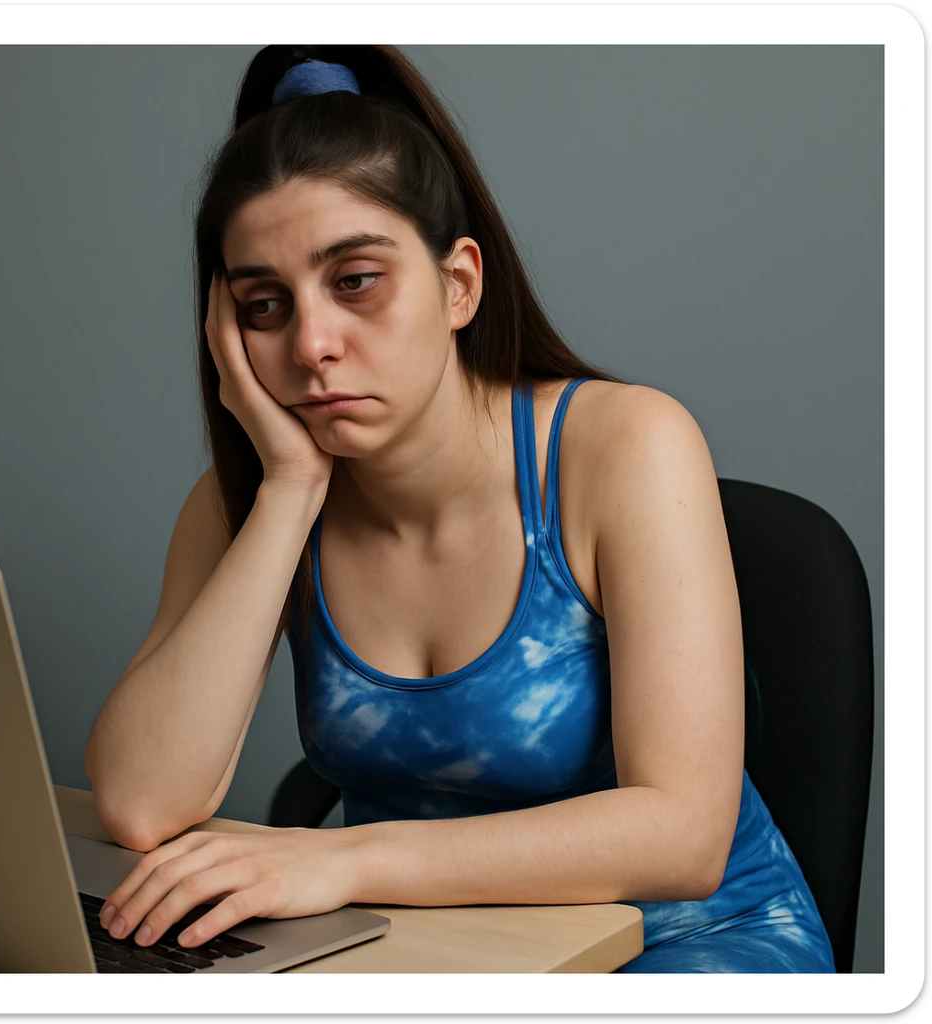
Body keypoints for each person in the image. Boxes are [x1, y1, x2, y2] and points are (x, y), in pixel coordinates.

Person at [84, 45, 836, 973]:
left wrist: (342, 858)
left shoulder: (627, 446)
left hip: (695, 948)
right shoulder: (252, 500)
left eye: (355, 281)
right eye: (266, 306)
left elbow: (681, 836)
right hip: (438, 953)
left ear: (458, 284)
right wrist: (288, 492)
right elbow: (140, 804)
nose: (313, 343)